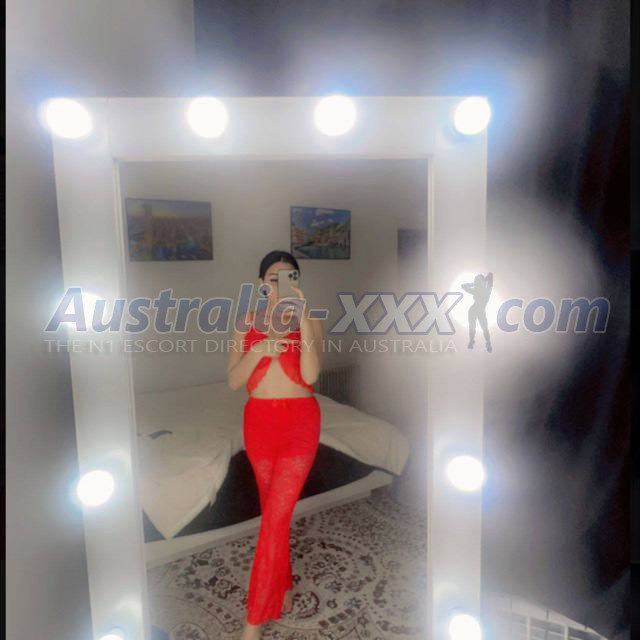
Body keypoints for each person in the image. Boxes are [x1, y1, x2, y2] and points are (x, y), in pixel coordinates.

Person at [227, 250, 325, 639]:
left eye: (290, 276)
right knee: (274, 513)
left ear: (297, 283)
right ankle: (282, 585)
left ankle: (253, 620)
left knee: (274, 519)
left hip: (300, 424)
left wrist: (304, 322)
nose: (282, 282)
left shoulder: (311, 320)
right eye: (274, 276)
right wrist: (258, 349)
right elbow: (234, 381)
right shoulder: (246, 322)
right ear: (261, 285)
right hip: (259, 424)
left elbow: (311, 375)